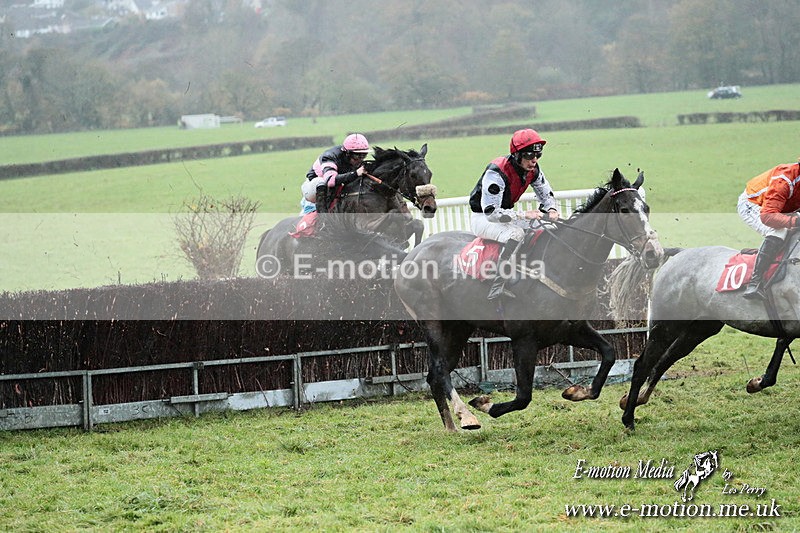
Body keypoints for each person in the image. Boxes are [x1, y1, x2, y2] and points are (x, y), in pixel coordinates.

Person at [468, 128, 560, 299]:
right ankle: (497, 284)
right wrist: (524, 215)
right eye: (529, 156)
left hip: (505, 215)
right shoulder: (497, 172)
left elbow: (546, 195)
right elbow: (492, 214)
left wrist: (552, 209)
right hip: (483, 218)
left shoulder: (533, 170)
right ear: (517, 155)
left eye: (538, 156)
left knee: (546, 226)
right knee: (516, 233)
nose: (534, 161)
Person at [737, 160, 800, 300]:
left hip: (783, 206)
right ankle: (755, 282)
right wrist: (794, 221)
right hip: (755, 206)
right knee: (780, 230)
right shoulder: (784, 179)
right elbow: (768, 216)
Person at [300, 133, 371, 214]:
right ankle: (322, 218)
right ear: (347, 153)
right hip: (312, 190)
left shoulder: (354, 160)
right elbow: (330, 181)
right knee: (321, 182)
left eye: (364, 155)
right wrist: (355, 173)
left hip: (333, 189)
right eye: (357, 156)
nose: (360, 160)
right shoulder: (330, 156)